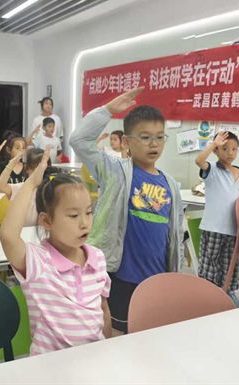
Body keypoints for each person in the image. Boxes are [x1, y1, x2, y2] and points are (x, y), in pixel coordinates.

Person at [70, 87, 184, 333]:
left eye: (159, 137)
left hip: (157, 277)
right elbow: (78, 141)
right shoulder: (115, 172)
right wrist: (107, 110)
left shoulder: (171, 185)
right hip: (119, 276)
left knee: (150, 332)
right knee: (117, 333)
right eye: (144, 137)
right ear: (126, 142)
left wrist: (175, 271)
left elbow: (174, 234)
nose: (153, 144)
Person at [0, 146, 112, 356]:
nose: (84, 223)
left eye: (88, 212)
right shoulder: (38, 261)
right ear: (46, 221)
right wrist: (31, 184)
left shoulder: (97, 258)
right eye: (73, 216)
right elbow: (8, 236)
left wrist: (108, 352)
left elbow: (103, 310)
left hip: (93, 361)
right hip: (50, 366)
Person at [195, 131, 239, 307]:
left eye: (234, 149)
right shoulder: (212, 170)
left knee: (230, 263)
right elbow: (199, 160)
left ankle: (228, 293)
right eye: (224, 149)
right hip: (213, 227)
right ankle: (208, 295)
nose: (230, 153)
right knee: (210, 263)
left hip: (233, 229)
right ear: (216, 151)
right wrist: (213, 144)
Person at [0, 148, 54, 227]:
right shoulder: (21, 188)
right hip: (23, 231)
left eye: (44, 169)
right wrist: (12, 163)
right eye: (36, 169)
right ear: (27, 169)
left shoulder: (51, 189)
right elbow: (1, 186)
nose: (40, 173)